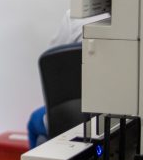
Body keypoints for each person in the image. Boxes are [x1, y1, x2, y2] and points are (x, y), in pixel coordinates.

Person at [27, 9, 110, 148]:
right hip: (122, 126)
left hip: (78, 123)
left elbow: (52, 66)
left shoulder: (77, 17)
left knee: (34, 121)